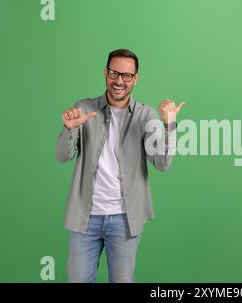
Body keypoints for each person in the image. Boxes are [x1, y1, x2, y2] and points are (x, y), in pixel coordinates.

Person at [56, 49, 184, 283]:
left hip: (125, 220)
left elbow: (162, 163)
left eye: (126, 76)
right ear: (106, 73)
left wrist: (170, 125)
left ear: (135, 79)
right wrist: (69, 128)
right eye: (114, 73)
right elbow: (63, 156)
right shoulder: (84, 108)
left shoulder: (146, 115)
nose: (119, 81)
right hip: (85, 218)